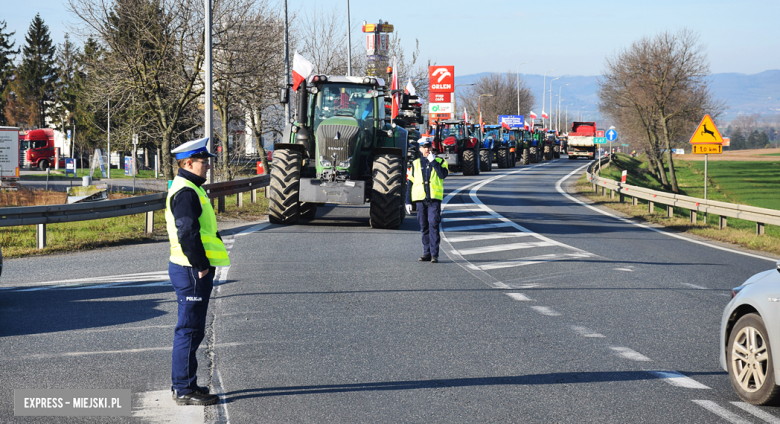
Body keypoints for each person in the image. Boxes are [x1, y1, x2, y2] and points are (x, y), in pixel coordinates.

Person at [165, 137, 229, 406]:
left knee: (192, 330)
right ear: (188, 162)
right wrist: (201, 266)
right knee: (189, 330)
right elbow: (187, 233)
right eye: (204, 163)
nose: (208, 167)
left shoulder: (191, 187)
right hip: (191, 271)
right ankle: (183, 389)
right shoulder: (186, 192)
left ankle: (186, 383)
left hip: (190, 270)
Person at [405, 137, 449, 263]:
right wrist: (408, 201)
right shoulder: (415, 164)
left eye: (429, 147)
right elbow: (410, 183)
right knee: (424, 226)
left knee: (433, 224)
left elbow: (442, 175)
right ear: (420, 149)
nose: (427, 149)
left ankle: (435, 254)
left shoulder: (440, 161)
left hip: (434, 199)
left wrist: (433, 162)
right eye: (424, 147)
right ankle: (427, 253)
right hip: (420, 199)